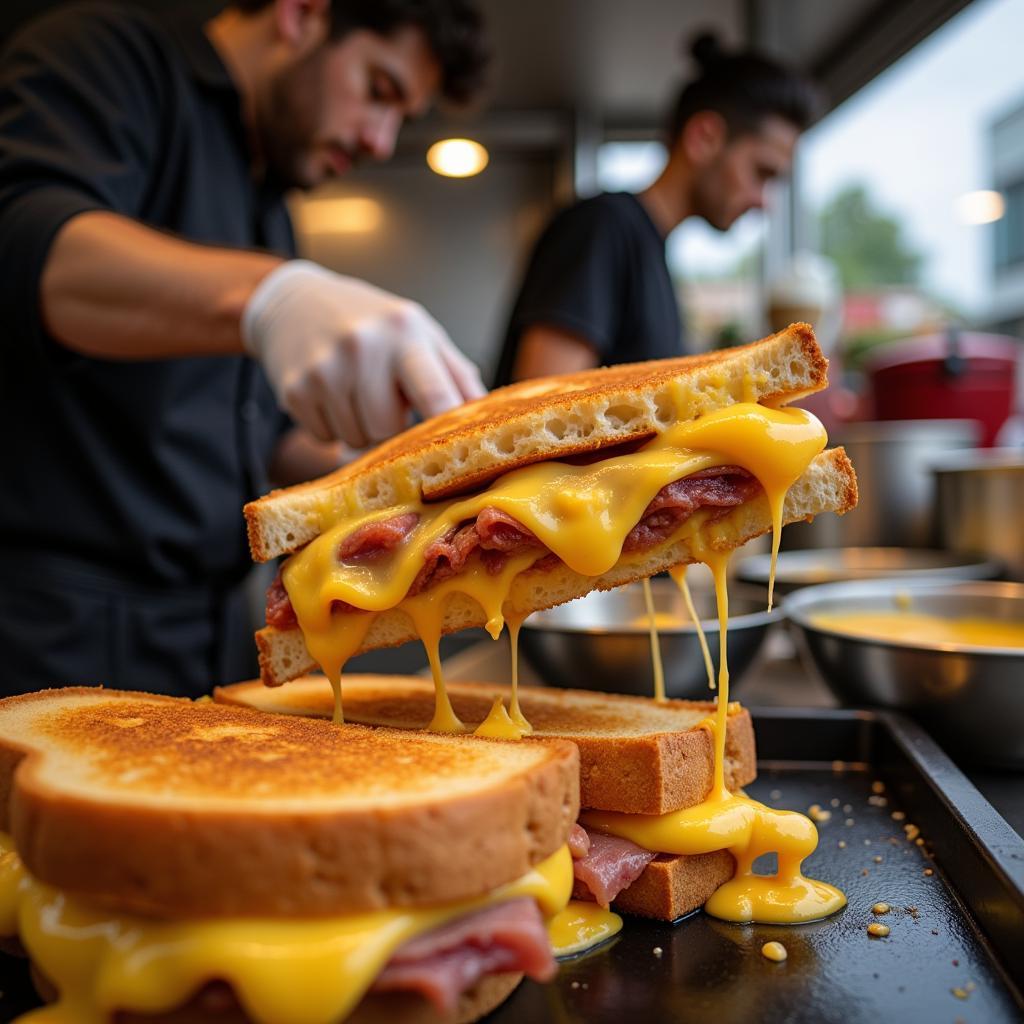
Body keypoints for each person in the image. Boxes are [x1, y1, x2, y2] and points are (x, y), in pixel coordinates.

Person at [0, 0, 488, 697]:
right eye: (379, 91)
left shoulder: (271, 206)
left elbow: (260, 437)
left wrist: (386, 473)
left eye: (401, 119)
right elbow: (27, 248)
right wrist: (269, 296)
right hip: (56, 622)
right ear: (302, 14)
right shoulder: (107, 55)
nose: (382, 141)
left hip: (210, 623)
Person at [493, 33, 820, 386]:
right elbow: (541, 420)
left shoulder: (649, 251)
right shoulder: (602, 228)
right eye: (762, 173)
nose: (763, 201)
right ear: (704, 138)